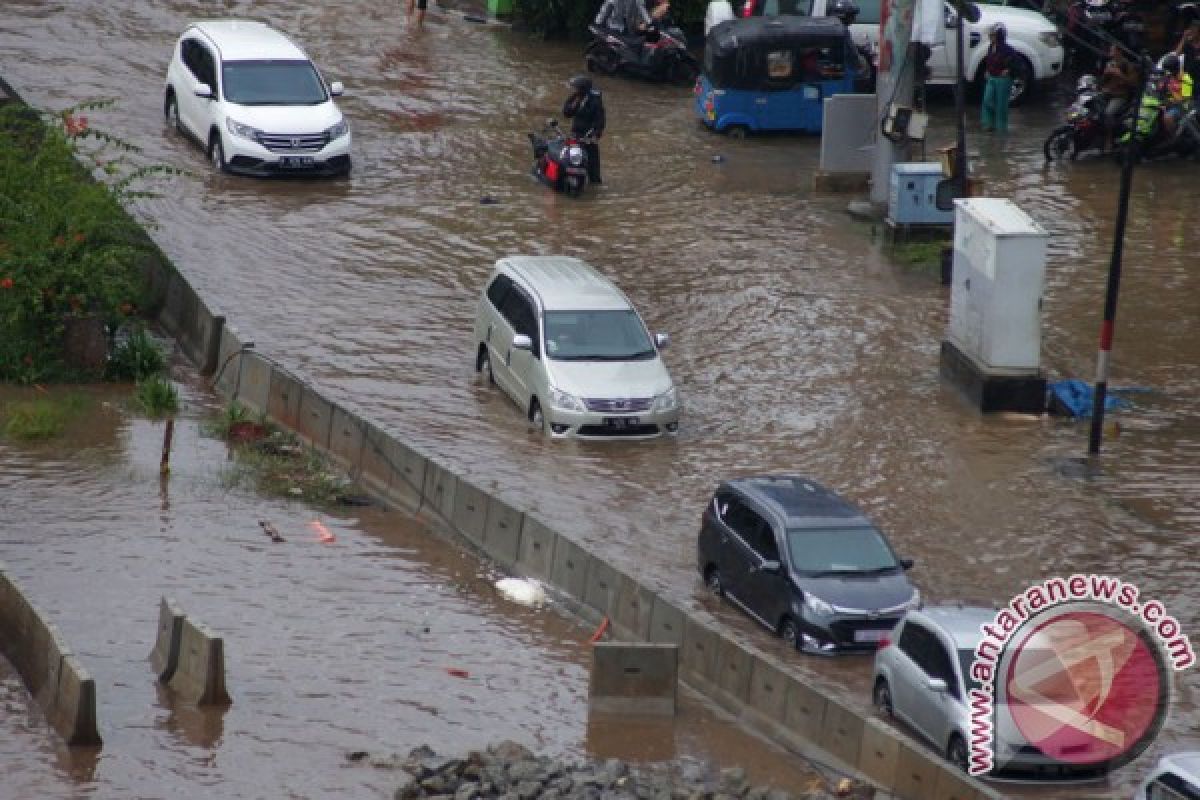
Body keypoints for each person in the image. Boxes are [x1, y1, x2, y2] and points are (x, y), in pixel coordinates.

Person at [562, 75, 606, 184]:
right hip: (575, 135)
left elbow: (600, 121)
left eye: (576, 88)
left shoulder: (595, 102)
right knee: (567, 159)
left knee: (594, 169)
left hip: (588, 138)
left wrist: (595, 134)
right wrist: (575, 104)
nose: (574, 90)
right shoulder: (575, 97)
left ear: (583, 89)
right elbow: (566, 113)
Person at [1099, 44, 1139, 151]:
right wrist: (1105, 74)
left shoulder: (1128, 65)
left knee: (1109, 113)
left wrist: (1120, 74)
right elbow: (1102, 81)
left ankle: (1109, 139)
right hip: (1107, 93)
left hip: (1120, 95)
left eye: (1113, 51)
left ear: (1119, 52)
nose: (1110, 53)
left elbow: (1133, 83)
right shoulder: (1109, 63)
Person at [981, 23, 1018, 133]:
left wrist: (1009, 70)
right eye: (990, 35)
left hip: (1003, 80)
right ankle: (988, 125)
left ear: (998, 36)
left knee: (1001, 105)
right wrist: (987, 70)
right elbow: (989, 61)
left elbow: (1018, 64)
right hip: (992, 78)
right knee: (987, 100)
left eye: (992, 35)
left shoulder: (1008, 49)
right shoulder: (990, 47)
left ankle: (1001, 130)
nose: (990, 37)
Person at [1160, 53, 1194, 139]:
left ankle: (1175, 138)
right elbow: (1161, 88)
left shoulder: (1185, 78)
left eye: (1168, 70)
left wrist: (1171, 102)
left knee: (1167, 118)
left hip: (1182, 107)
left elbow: (1186, 98)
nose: (1167, 73)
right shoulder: (1169, 78)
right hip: (1171, 104)